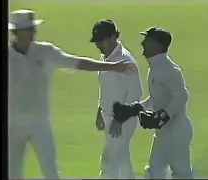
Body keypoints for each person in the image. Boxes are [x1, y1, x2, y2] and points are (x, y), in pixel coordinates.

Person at [8, 9, 134, 179]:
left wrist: (111, 66)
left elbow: (76, 62)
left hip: (40, 122)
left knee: (50, 171)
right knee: (13, 171)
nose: (32, 33)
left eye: (33, 29)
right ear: (16, 33)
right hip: (13, 123)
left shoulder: (45, 51)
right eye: (27, 30)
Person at [112, 27, 194, 179]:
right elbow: (155, 98)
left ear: (158, 45)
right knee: (153, 174)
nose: (143, 44)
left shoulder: (170, 70)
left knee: (182, 174)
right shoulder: (156, 68)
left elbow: (182, 96)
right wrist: (134, 109)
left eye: (147, 41)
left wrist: (164, 115)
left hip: (177, 134)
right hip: (163, 134)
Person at [91, 19, 143, 179]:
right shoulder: (105, 58)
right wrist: (100, 110)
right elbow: (106, 88)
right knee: (122, 161)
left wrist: (120, 119)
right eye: (97, 41)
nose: (98, 45)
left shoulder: (125, 60)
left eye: (102, 40)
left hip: (123, 120)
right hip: (109, 117)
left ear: (113, 37)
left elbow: (136, 92)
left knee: (109, 160)